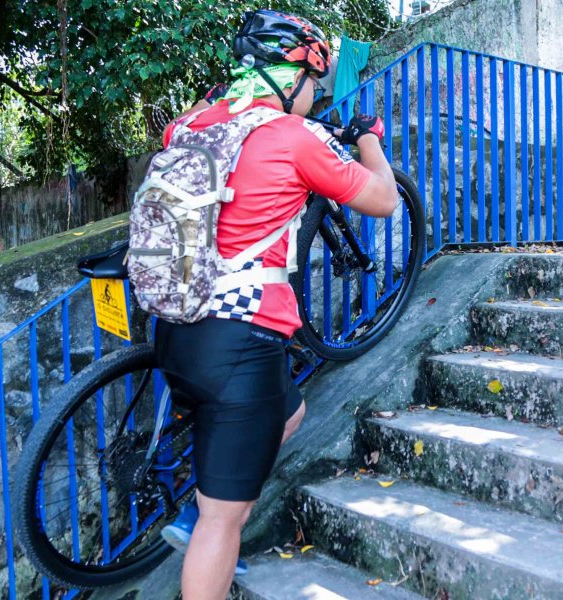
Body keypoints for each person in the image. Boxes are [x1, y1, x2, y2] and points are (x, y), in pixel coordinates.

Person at [150, 9, 398, 600]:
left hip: (177, 327)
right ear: (290, 78)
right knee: (220, 523)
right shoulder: (293, 137)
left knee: (289, 414)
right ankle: (205, 524)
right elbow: (385, 200)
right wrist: (367, 137)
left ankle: (209, 494)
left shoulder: (191, 124)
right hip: (243, 340)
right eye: (313, 85)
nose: (314, 97)